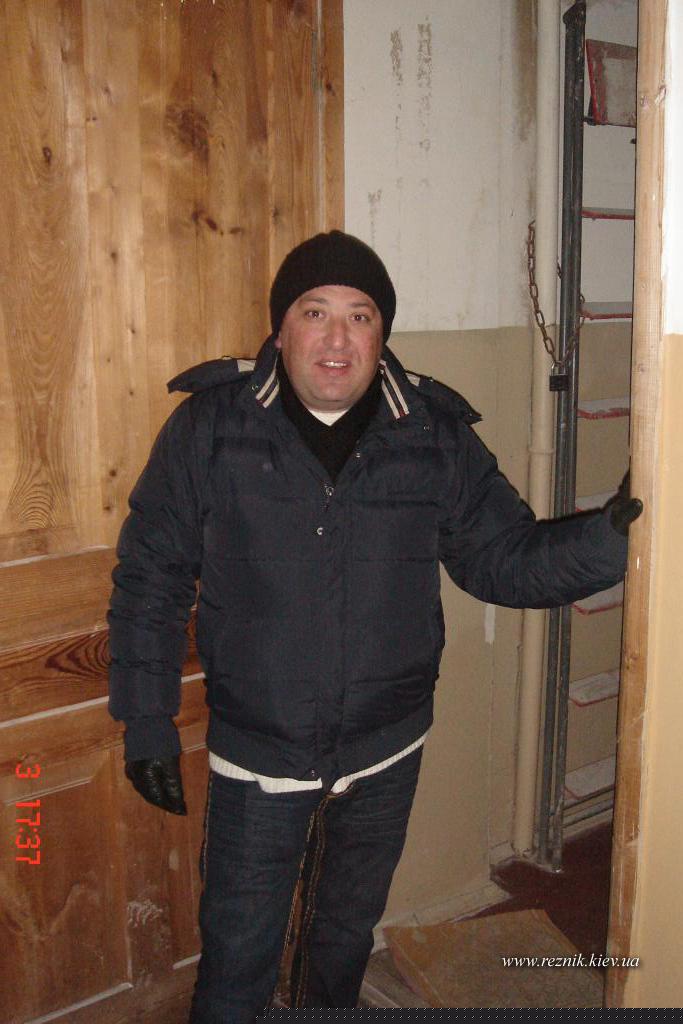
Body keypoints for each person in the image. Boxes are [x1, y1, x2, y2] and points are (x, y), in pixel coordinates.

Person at [108, 230, 641, 1021]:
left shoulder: (431, 432)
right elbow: (149, 581)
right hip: (260, 757)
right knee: (237, 955)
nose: (336, 339)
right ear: (280, 329)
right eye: (314, 312)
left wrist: (612, 539)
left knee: (341, 941)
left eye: (359, 316)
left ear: (381, 332)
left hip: (386, 749)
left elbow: (502, 559)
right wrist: (147, 720)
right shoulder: (210, 429)